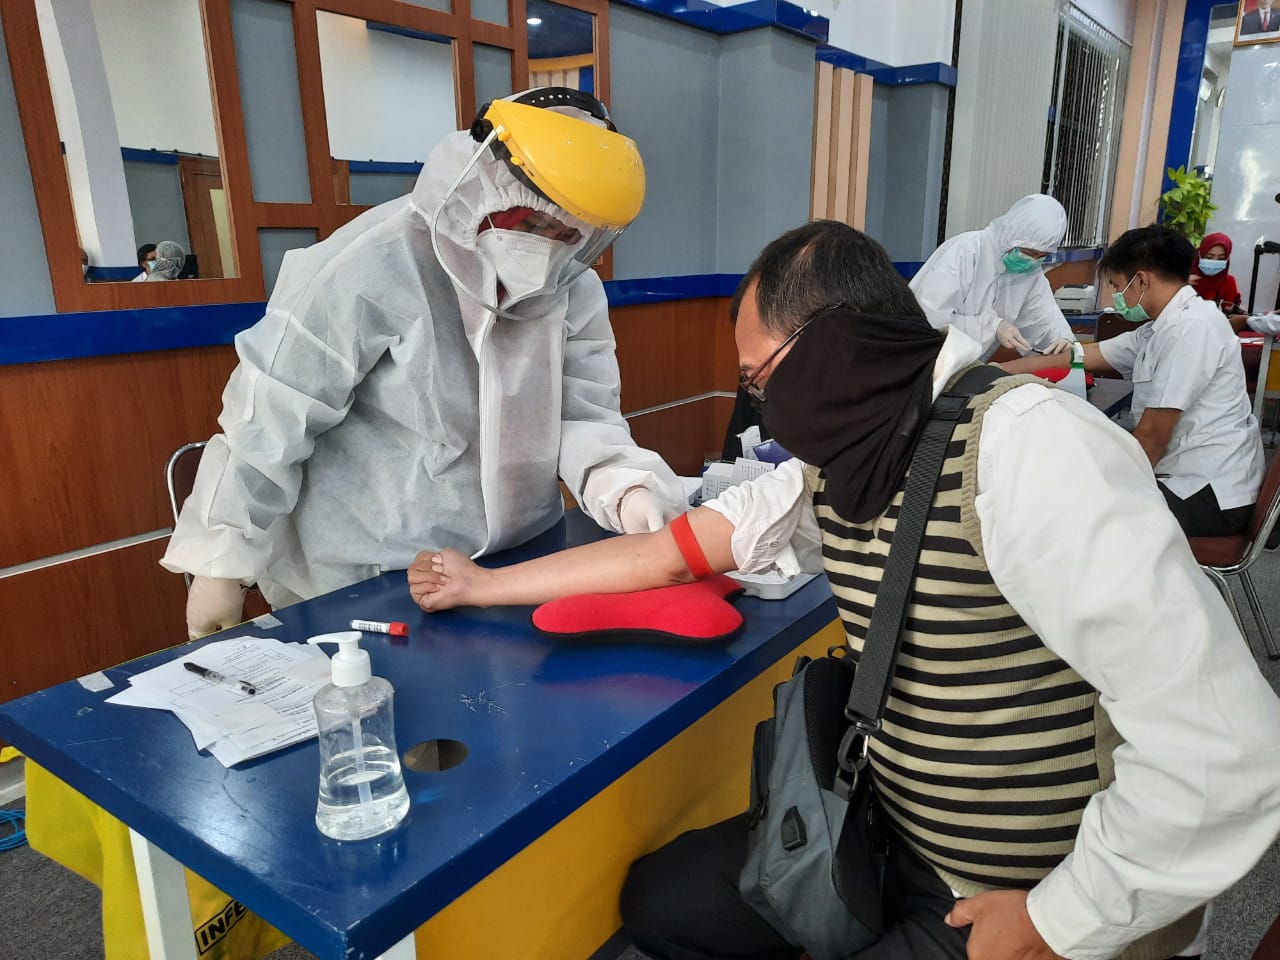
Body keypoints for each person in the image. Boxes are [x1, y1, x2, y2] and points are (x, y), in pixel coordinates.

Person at [408, 220, 1280, 960]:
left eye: (760, 378)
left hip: (1019, 891)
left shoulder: (1030, 451)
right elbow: (670, 555)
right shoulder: (846, 459)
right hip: (890, 828)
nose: (761, 407)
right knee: (664, 901)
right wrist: (484, 586)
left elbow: (1226, 749)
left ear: (830, 346)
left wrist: (1061, 920)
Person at [162, 87, 685, 639]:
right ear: (482, 184)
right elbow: (271, 415)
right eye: (531, 223)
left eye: (566, 234)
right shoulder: (371, 263)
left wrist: (627, 490)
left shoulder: (571, 287)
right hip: (366, 573)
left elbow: (583, 414)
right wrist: (221, 560)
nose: (545, 248)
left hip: (518, 564)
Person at [1005, 224, 1263, 538]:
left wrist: (1100, 481)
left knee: (1069, 510)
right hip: (1186, 474)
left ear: (1140, 280)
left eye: (1116, 285)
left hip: (1205, 492)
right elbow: (1083, 355)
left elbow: (1152, 437)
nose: (1116, 296)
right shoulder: (1161, 327)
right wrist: (998, 371)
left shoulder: (1191, 328)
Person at [910, 194, 1076, 359]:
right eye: (1030, 252)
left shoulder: (1029, 274)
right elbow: (930, 321)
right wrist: (992, 326)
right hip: (920, 360)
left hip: (966, 365)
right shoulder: (965, 252)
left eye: (1042, 256)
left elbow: (1043, 317)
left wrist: (1062, 338)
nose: (1032, 261)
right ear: (1011, 236)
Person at [1190, 231, 1242, 315]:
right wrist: (1180, 284)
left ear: (1227, 259)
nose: (1214, 261)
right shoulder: (1183, 275)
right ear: (1200, 254)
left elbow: (1229, 307)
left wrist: (1232, 309)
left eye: (1221, 259)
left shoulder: (1227, 281)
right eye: (1209, 257)